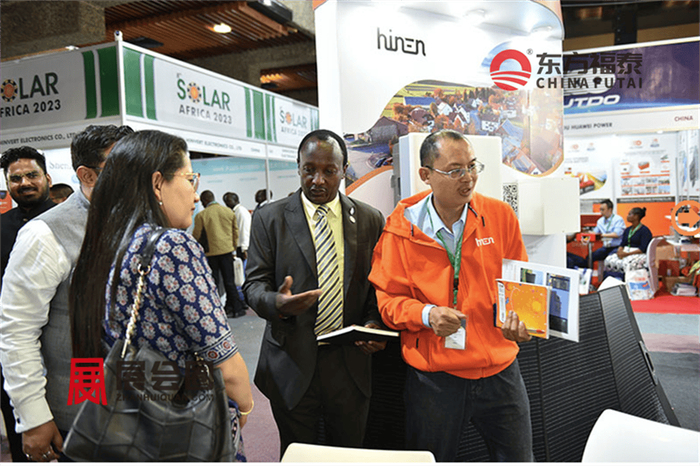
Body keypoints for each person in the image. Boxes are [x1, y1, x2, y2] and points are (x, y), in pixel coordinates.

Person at [69, 130, 253, 461]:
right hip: (184, 426)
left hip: (127, 427)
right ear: (157, 184)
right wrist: (245, 407)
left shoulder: (102, 244)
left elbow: (89, 355)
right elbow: (225, 363)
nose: (195, 194)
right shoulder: (171, 247)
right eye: (189, 179)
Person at [368, 129, 533, 462]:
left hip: (500, 371)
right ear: (426, 175)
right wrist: (426, 315)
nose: (468, 178)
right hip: (435, 378)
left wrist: (522, 320)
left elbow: (519, 286)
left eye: (472, 166)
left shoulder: (499, 216)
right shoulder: (400, 229)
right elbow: (388, 302)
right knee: (431, 460)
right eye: (455, 170)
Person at [243, 129, 386, 456]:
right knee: (299, 454)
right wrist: (278, 303)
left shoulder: (369, 219)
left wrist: (374, 322)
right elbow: (253, 285)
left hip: (349, 365)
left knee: (349, 455)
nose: (317, 180)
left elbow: (376, 286)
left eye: (329, 171)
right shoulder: (270, 218)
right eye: (309, 170)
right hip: (291, 362)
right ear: (298, 167)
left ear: (344, 170)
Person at [0, 125, 133, 462]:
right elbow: (17, 329)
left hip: (141, 408)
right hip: (79, 411)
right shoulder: (45, 233)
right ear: (87, 176)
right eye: (126, 168)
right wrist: (34, 417)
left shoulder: (140, 222)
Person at [0, 146, 56, 462]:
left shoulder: (67, 221)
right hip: (14, 348)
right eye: (15, 178)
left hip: (63, 346)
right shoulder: (1, 227)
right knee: (21, 426)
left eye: (31, 175)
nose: (24, 183)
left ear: (47, 178)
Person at [193, 190, 247, 318]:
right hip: (227, 251)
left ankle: (216, 309)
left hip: (211, 254)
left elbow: (196, 235)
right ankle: (237, 308)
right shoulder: (228, 211)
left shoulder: (201, 215)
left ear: (205, 201)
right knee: (230, 281)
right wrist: (233, 247)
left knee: (214, 282)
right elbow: (235, 232)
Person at [568, 199, 625, 269]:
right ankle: (588, 273)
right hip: (605, 247)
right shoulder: (600, 221)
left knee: (610, 261)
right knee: (589, 258)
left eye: (603, 210)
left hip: (616, 247)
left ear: (610, 209)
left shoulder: (618, 219)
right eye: (600, 209)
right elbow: (595, 233)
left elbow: (617, 234)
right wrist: (586, 234)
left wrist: (602, 235)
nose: (601, 212)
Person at [603, 207, 653, 280]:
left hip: (638, 254)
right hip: (626, 251)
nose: (627, 216)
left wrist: (626, 254)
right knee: (608, 260)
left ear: (636, 216)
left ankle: (624, 281)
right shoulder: (627, 230)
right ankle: (610, 280)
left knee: (627, 263)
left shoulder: (645, 231)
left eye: (630, 214)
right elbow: (622, 243)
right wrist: (620, 251)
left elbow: (643, 248)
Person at [223, 192, 251, 261]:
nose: (226, 203)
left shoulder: (241, 211)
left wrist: (244, 248)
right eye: (225, 201)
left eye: (228, 201)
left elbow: (244, 229)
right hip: (239, 246)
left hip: (243, 246)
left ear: (236, 200)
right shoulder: (235, 211)